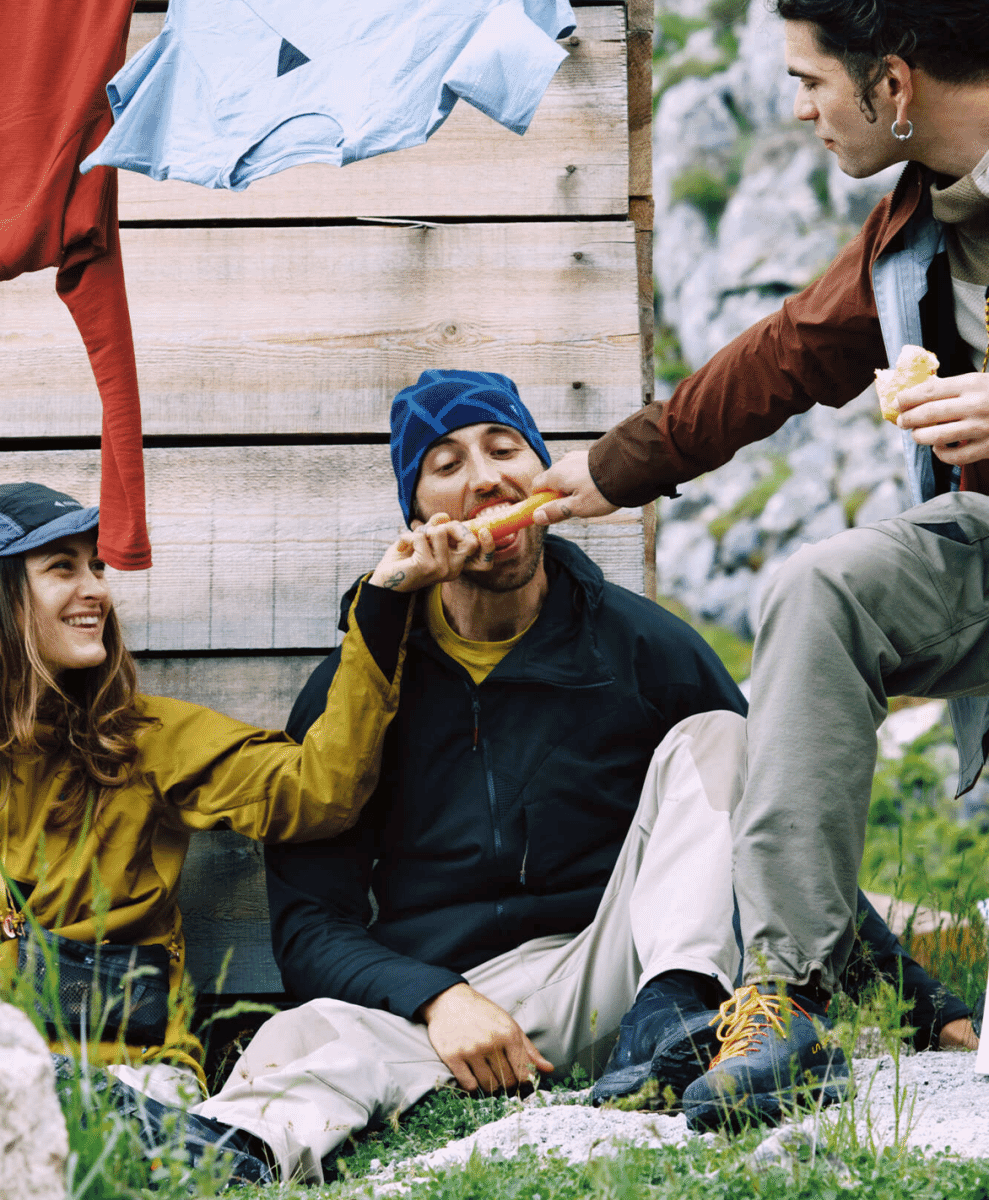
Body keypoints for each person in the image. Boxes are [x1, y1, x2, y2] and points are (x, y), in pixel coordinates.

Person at [188, 371, 970, 1182]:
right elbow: (310, 926)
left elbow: (772, 827)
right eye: (445, 464)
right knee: (309, 1033)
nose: (486, 477)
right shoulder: (357, 683)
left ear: (544, 478)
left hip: (624, 971)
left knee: (724, 737)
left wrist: (926, 1003)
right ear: (416, 518)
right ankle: (228, 1152)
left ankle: (674, 1018)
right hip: (454, 1007)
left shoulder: (641, 647)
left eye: (505, 449)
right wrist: (438, 998)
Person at [531, 0, 989, 1127]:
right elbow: (786, 351)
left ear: (890, 86)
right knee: (816, 584)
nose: (794, 110)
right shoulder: (913, 225)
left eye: (809, 82)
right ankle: (785, 995)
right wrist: (606, 469)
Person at [0, 478, 491, 1182]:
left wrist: (383, 603)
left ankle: (179, 1149)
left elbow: (319, 793)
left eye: (97, 566)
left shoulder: (144, 740)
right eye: (61, 568)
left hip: (139, 1086)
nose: (96, 591)